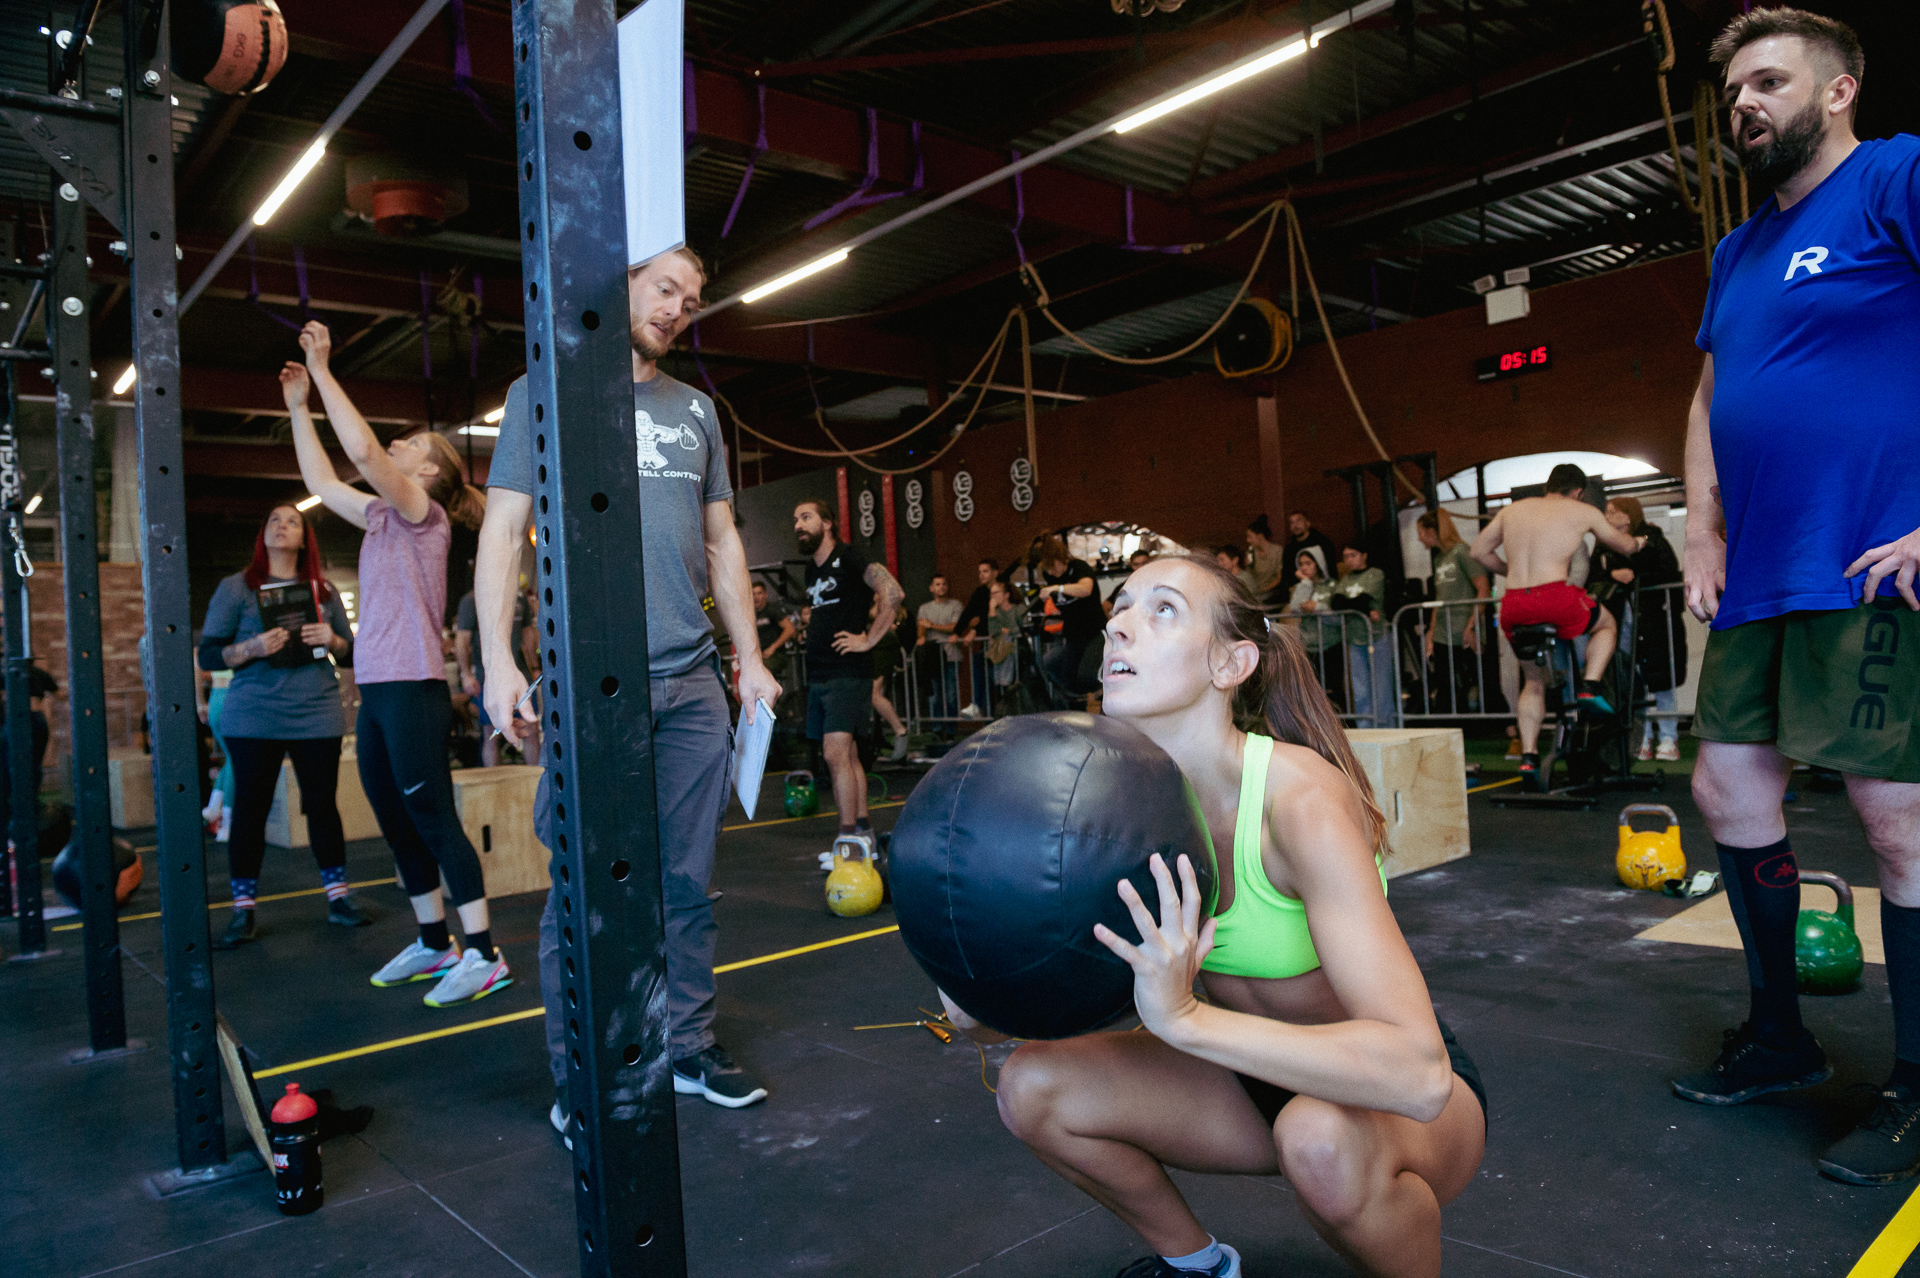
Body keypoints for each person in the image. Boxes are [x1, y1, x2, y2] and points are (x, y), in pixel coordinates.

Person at [945, 553, 1485, 1278]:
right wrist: (970, 954)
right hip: (1241, 1084)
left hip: (1383, 1097)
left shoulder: (1298, 804)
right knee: (1032, 1086)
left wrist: (1187, 1021)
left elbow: (1418, 1075)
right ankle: (1197, 1266)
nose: (1121, 627)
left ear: (1231, 663)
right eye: (1121, 607)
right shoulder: (1110, 812)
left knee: (1318, 1139)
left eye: (1162, 610)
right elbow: (981, 1020)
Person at [1670, 9, 1920, 1187]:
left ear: (1838, 92)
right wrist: (1697, 526)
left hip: (1873, 559)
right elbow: (1711, 394)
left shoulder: (1894, 176)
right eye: (1733, 93)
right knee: (1726, 785)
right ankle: (1779, 1038)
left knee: (1896, 819)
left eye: (1768, 82)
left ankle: (1918, 1089)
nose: (1743, 107)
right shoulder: (1737, 253)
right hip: (1762, 571)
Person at [477, 247, 781, 1121]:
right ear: (622, 288)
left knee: (686, 882)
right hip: (591, 686)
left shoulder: (697, 411)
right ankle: (583, 1077)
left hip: (691, 685)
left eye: (691, 299)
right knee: (585, 889)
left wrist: (749, 656)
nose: (679, 309)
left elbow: (722, 544)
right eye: (664, 290)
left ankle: (686, 1046)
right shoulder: (545, 393)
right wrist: (499, 659)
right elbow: (503, 532)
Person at [287, 325, 510, 1011]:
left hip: (415, 687)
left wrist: (325, 371)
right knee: (392, 815)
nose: (395, 444)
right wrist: (298, 407)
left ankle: (483, 953)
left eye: (408, 443)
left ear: (429, 469)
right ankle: (433, 938)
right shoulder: (383, 515)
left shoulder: (423, 513)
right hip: (378, 689)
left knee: (433, 816)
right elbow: (323, 481)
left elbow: (356, 449)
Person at [197, 503, 361, 948]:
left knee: (322, 805)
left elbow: (351, 655)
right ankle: (243, 910)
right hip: (255, 713)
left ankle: (339, 900)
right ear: (263, 534)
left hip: (316, 709)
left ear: (305, 537)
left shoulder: (322, 591)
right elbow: (209, 654)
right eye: (273, 519)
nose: (281, 525)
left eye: (292, 520)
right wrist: (249, 647)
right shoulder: (237, 588)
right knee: (249, 808)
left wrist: (335, 640)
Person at [1470, 464, 1642, 789]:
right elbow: (1623, 546)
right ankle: (1589, 686)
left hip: (1515, 603)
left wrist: (1511, 570)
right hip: (1555, 597)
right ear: (1578, 490)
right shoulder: (1581, 510)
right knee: (1606, 625)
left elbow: (1478, 550)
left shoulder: (1513, 510)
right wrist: (1638, 541)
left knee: (1532, 681)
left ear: (1549, 485)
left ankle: (1530, 756)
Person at [795, 499, 903, 874]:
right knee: (850, 755)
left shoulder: (851, 557)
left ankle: (847, 843)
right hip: (821, 675)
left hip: (848, 672)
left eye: (805, 517)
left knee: (835, 754)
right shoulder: (811, 571)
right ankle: (864, 839)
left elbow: (893, 593)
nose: (798, 524)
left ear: (827, 523)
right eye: (795, 519)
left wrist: (869, 640)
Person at [1591, 497, 1686, 761]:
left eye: (1614, 511)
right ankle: (1641, 737)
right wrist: (1612, 575)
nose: (1608, 516)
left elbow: (1668, 570)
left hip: (1654, 620)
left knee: (1660, 678)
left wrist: (1635, 574)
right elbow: (1591, 576)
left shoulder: (1652, 538)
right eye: (1606, 511)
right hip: (1621, 621)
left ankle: (1668, 737)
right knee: (1632, 680)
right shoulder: (1602, 545)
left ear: (1629, 515)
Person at [1416, 511, 1490, 715]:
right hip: (1443, 630)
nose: (1419, 537)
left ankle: (1511, 731)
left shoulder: (1463, 552)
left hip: (1465, 627)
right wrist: (1431, 633)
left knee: (1484, 680)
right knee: (1445, 684)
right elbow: (1440, 599)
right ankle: (1448, 730)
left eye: (1421, 532)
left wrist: (1472, 626)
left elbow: (1483, 589)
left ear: (1432, 531)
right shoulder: (1439, 559)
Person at [454, 586, 535, 767]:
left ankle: (536, 784)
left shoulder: (519, 598)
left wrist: (535, 666)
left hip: (520, 672)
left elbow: (528, 632)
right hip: (488, 676)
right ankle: (494, 786)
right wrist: (466, 674)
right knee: (492, 733)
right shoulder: (471, 600)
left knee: (531, 728)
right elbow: (462, 639)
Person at [1329, 546, 1396, 729]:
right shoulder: (1345, 579)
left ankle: (1386, 729)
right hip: (1355, 638)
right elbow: (1336, 603)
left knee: (1382, 689)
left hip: (1376, 637)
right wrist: (1365, 610)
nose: (1349, 560)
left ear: (1364, 555)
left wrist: (1359, 606)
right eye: (1345, 557)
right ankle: (1366, 729)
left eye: (1353, 555)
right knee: (1361, 690)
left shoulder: (1376, 574)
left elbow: (1363, 599)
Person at [1034, 535, 1105, 703]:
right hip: (1074, 633)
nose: (1050, 573)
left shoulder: (1078, 567)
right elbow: (1064, 604)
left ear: (1057, 561)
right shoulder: (1050, 576)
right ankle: (1081, 703)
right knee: (1065, 674)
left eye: (1050, 567)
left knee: (1087, 673)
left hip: (1094, 630)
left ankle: (1099, 694)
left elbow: (1085, 589)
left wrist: (1057, 588)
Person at [953, 558, 998, 715]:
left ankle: (990, 710)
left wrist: (975, 630)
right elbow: (969, 612)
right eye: (979, 572)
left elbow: (992, 618)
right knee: (982, 669)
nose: (981, 575)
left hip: (1000, 641)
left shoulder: (1000, 590)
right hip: (988, 643)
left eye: (985, 571)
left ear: (995, 573)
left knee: (996, 679)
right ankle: (979, 706)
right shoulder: (980, 592)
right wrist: (956, 632)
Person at [916, 573, 963, 721]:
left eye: (944, 584)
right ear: (931, 588)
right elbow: (921, 628)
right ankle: (937, 728)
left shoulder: (956, 605)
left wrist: (931, 625)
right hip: (932, 656)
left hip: (951, 655)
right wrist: (922, 635)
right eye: (937, 584)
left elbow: (954, 627)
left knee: (951, 695)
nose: (941, 587)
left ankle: (951, 729)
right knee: (934, 695)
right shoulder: (924, 608)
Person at [868, 598, 910, 762]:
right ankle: (898, 730)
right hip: (874, 646)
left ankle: (899, 729)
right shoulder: (873, 606)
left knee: (874, 693)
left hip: (883, 646)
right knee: (872, 693)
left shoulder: (888, 605)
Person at [1282, 511, 1340, 597]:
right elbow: (1287, 574)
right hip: (1299, 588)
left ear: (1308, 524)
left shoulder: (1322, 543)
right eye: (1292, 523)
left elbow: (1331, 570)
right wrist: (1292, 589)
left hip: (1322, 587)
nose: (1295, 525)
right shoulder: (1289, 549)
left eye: (1299, 521)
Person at [752, 580, 797, 688]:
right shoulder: (751, 614)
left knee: (762, 670)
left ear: (765, 595)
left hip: (777, 655)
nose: (756, 597)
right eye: (753, 594)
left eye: (759, 593)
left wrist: (773, 647)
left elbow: (790, 630)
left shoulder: (772, 610)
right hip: (760, 656)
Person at [1243, 515, 1288, 599]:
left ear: (1259, 536)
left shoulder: (1277, 550)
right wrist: (1248, 565)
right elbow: (1250, 576)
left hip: (1273, 591)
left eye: (1250, 537)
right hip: (1256, 591)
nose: (1248, 540)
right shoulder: (1250, 552)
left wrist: (1265, 589)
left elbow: (1279, 577)